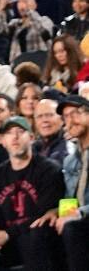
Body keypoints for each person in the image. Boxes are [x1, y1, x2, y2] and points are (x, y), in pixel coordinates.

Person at [0, 117, 64, 270]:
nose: (15, 137)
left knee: (36, 235)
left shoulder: (49, 170)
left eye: (20, 131)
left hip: (38, 237)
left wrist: (7, 234)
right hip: (8, 239)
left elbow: (42, 216)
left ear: (31, 137)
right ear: (3, 141)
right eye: (9, 133)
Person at [56, 95, 89, 271]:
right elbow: (70, 199)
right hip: (80, 222)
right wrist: (56, 212)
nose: (70, 120)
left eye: (75, 113)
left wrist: (80, 213)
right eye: (66, 116)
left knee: (72, 228)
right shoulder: (70, 161)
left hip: (83, 217)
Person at [32, 98, 68, 165]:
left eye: (49, 115)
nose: (44, 120)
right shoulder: (33, 148)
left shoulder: (69, 146)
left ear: (62, 119)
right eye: (39, 116)